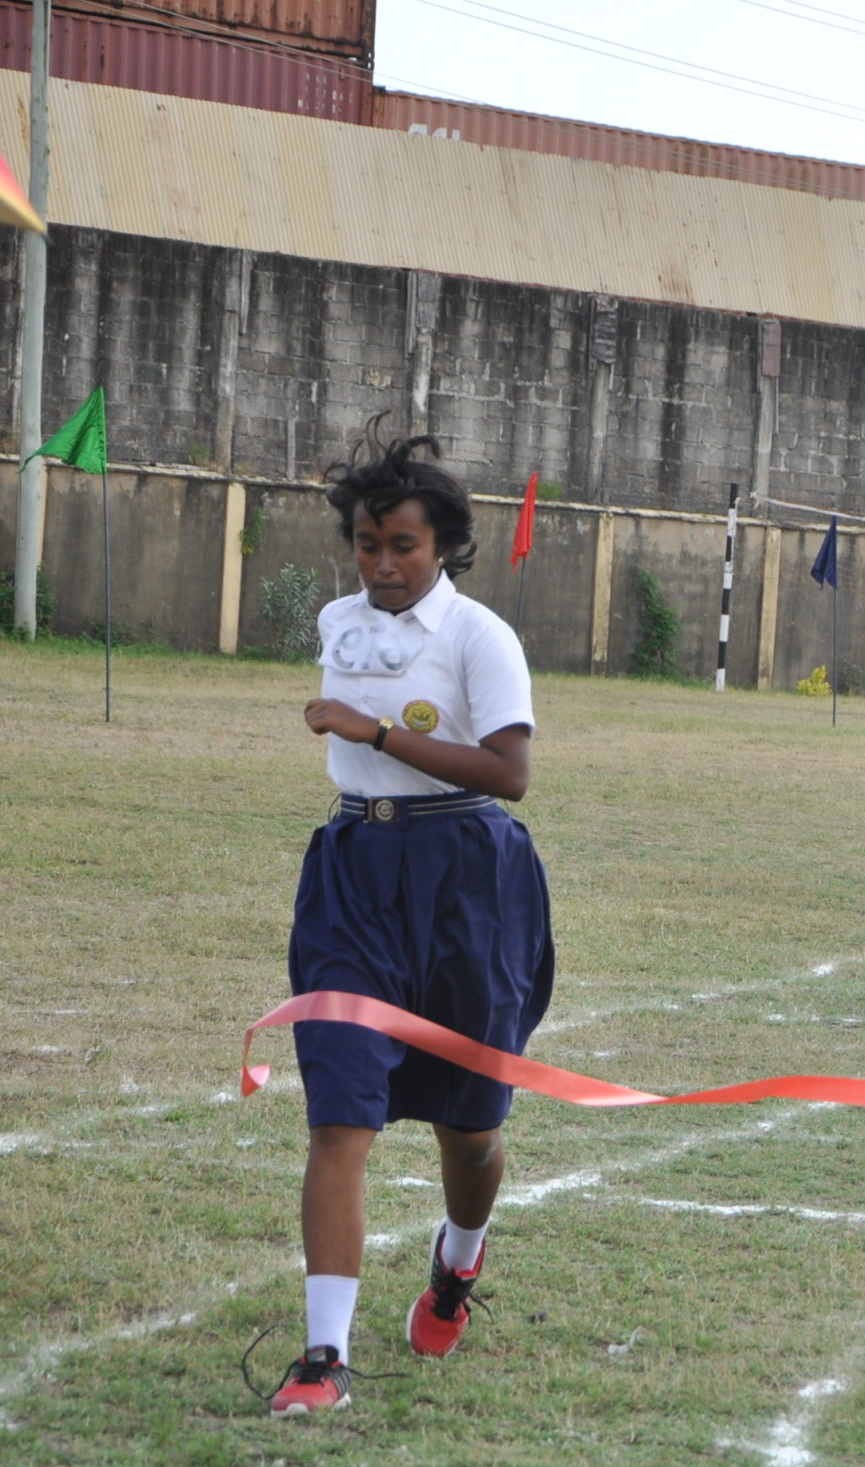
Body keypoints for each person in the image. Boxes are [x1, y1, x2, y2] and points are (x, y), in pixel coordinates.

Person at [259, 429, 554, 1416]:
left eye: (403, 546)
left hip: (468, 880)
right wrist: (362, 744)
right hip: (352, 876)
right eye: (367, 542)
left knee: (471, 1130)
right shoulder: (338, 620)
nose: (383, 563)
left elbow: (510, 774)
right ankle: (322, 1357)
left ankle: (455, 1268)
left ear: (445, 547)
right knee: (338, 1113)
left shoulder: (479, 637)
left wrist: (375, 731)